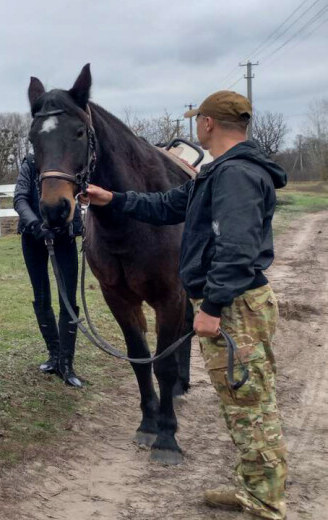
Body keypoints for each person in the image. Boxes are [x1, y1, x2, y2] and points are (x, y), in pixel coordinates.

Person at [83, 90, 287, 519]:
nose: (196, 127)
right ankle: (256, 486)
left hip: (237, 307)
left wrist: (210, 307)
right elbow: (169, 204)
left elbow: (236, 249)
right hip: (234, 303)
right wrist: (114, 199)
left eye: (199, 120)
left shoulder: (235, 177)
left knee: (251, 403)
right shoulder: (221, 173)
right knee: (241, 400)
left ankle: (267, 500)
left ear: (209, 124)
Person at [13, 151, 83, 387]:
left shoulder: (70, 162)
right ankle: (54, 354)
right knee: (41, 296)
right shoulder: (32, 163)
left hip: (64, 236)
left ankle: (67, 362)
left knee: (68, 298)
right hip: (33, 237)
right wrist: (34, 224)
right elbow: (20, 198)